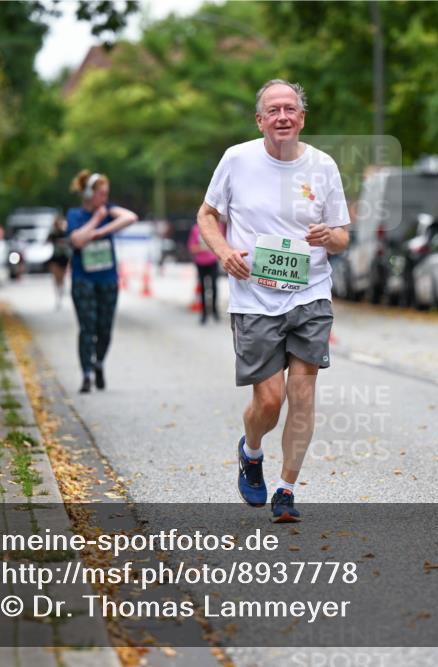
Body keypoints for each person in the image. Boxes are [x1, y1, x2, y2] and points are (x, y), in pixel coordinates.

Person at [197, 79, 351, 523]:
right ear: (260, 120)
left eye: (291, 109)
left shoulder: (323, 166)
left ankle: (286, 489)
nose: (283, 117)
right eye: (273, 110)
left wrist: (330, 237)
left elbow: (341, 236)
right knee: (268, 402)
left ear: (302, 118)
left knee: (302, 392)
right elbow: (207, 215)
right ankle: (251, 450)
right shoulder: (237, 159)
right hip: (253, 297)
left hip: (310, 293)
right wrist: (224, 252)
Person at [66, 170, 138, 394]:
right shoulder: (75, 215)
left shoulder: (109, 211)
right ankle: (86, 373)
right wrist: (96, 220)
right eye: (101, 194)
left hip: (107, 278)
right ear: (89, 194)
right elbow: (76, 240)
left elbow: (131, 217)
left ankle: (99, 362)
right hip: (83, 279)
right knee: (87, 327)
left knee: (104, 328)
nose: (104, 199)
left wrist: (101, 230)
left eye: (107, 194)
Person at [188, 219, 223, 324]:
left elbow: (221, 243)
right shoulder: (195, 229)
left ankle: (215, 311)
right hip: (200, 263)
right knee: (202, 288)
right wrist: (203, 247)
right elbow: (192, 248)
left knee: (214, 287)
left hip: (212, 262)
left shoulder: (216, 227)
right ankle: (203, 314)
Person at [46, 214, 71, 309]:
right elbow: (47, 241)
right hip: (56, 258)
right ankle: (58, 296)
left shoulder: (65, 233)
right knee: (56, 278)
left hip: (63, 258)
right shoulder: (53, 234)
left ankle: (60, 295)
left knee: (61, 278)